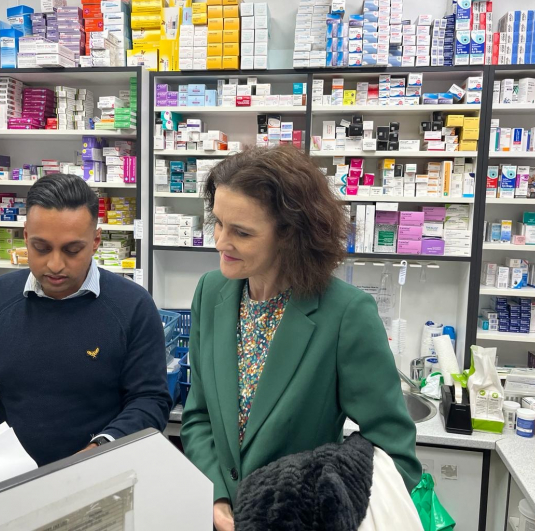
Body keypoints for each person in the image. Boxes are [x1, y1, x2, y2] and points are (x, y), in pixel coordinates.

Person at [180, 145, 422, 531]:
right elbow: (198, 417)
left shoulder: (344, 313)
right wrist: (216, 496)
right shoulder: (212, 292)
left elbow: (395, 453)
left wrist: (315, 511)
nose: (220, 243)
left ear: (290, 235)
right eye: (218, 223)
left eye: (241, 232)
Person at [0, 174, 171, 466]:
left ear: (95, 242)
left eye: (72, 250)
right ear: (26, 237)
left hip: (100, 475)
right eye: (41, 248)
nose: (54, 264)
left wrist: (101, 448)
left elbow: (150, 400)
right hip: (8, 475)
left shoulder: (133, 306)